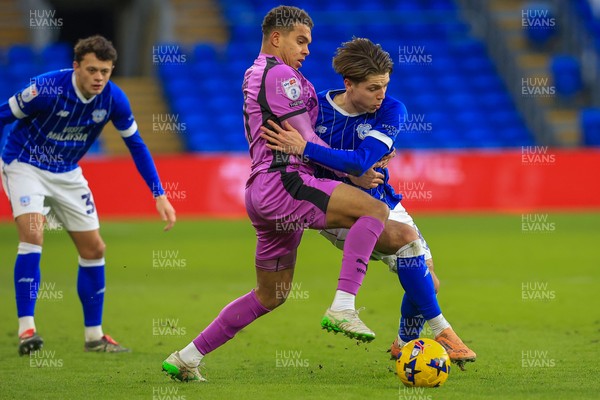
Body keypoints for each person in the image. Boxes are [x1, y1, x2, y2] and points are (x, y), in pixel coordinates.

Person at [161, 5, 393, 382]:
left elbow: (309, 136)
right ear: (275, 38)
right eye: (300, 41)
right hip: (286, 183)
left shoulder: (268, 75)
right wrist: (353, 167)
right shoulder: (279, 73)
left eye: (309, 43)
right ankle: (343, 305)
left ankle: (187, 357)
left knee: (271, 295)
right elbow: (307, 141)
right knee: (374, 211)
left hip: (262, 192)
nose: (306, 50)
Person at [260, 38, 476, 368]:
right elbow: (311, 167)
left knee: (429, 284)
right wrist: (333, 165)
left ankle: (404, 342)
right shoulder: (315, 110)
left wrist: (306, 148)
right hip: (339, 208)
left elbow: (361, 160)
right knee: (407, 246)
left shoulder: (392, 110)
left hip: (382, 199)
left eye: (385, 85)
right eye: (374, 87)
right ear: (349, 84)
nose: (382, 94)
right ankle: (442, 330)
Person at [0, 35, 176, 355]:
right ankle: (27, 330)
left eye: (105, 71)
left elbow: (136, 146)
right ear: (76, 66)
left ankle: (94, 337)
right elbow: (3, 115)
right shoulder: (45, 88)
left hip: (67, 172)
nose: (99, 78)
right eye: (92, 70)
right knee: (33, 234)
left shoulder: (114, 99)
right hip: (24, 164)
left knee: (95, 248)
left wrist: (159, 193)